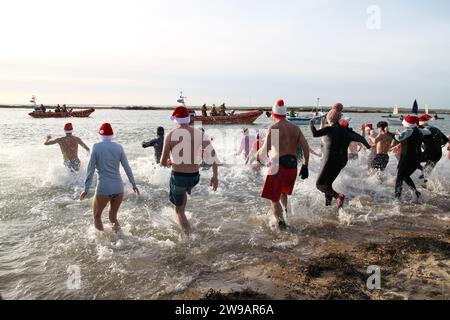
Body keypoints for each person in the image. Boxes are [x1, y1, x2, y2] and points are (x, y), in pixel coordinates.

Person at [160, 106, 219, 237]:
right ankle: (185, 222)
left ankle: (189, 238)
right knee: (182, 201)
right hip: (194, 177)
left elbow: (162, 162)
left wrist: (169, 162)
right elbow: (214, 155)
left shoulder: (170, 135)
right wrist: (215, 176)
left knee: (178, 211)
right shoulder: (199, 133)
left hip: (179, 177)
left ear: (175, 119)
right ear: (189, 118)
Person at [256, 99, 310, 229]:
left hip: (278, 166)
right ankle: (286, 215)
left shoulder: (274, 128)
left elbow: (264, 151)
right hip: (292, 166)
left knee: (273, 198)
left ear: (273, 114)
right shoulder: (295, 128)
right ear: (285, 114)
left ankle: (281, 223)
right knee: (282, 193)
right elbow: (306, 148)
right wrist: (305, 166)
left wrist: (256, 156)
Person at [80, 123, 140, 232]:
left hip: (104, 188)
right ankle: (121, 240)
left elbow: (90, 169)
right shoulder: (119, 147)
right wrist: (134, 184)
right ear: (112, 135)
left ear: (100, 134)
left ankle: (102, 244)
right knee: (113, 218)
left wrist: (85, 189)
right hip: (118, 188)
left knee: (97, 217)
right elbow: (127, 167)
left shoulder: (96, 147)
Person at [310, 103, 371, 208]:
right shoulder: (347, 131)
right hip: (342, 161)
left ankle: (338, 196)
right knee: (328, 184)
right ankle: (328, 205)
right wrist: (368, 146)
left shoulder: (330, 129)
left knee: (319, 184)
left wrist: (311, 123)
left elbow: (315, 134)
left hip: (330, 160)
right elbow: (361, 139)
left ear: (330, 119)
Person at [391, 116, 424, 200]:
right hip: (417, 157)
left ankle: (397, 198)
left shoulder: (409, 130)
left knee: (399, 177)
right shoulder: (419, 131)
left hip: (407, 157)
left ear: (407, 124)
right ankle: (416, 192)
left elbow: (399, 138)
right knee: (405, 176)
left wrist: (390, 133)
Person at [418, 114, 449, 182]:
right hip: (438, 154)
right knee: (427, 171)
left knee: (413, 160)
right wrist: (438, 145)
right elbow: (446, 140)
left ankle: (423, 170)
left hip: (429, 153)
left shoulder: (425, 130)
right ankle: (426, 185)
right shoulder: (436, 129)